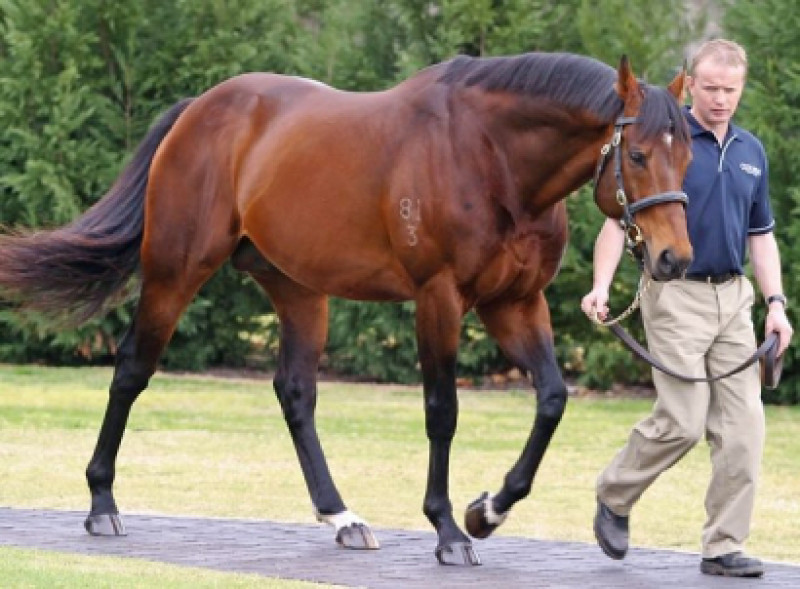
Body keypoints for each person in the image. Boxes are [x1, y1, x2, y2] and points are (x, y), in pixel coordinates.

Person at [581, 39, 793, 578]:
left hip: (734, 299)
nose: (722, 99)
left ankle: (723, 546)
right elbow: (616, 219)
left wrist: (776, 304)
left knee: (745, 431)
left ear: (741, 88)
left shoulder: (750, 151)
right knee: (683, 419)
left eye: (731, 89)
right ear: (691, 85)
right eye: (712, 88)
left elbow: (761, 236)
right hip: (675, 295)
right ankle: (615, 492)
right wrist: (600, 285)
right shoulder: (667, 140)